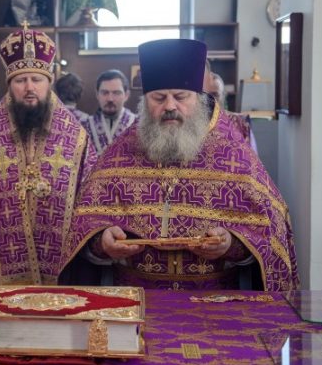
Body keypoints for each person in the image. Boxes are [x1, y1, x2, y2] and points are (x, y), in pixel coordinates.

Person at [71, 39, 298, 292]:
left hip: (214, 303)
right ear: (144, 101)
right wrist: (101, 243)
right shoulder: (120, 153)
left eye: (180, 97)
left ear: (199, 99)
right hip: (136, 300)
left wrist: (232, 244)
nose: (169, 106)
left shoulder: (233, 152)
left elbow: (271, 230)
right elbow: (83, 226)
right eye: (158, 98)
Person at [0, 24, 97, 285]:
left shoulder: (76, 136)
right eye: (20, 80)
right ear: (9, 85)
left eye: (36, 79)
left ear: (49, 83)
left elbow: (90, 197)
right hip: (0, 269)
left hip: (62, 269)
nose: (29, 88)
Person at [203, 61, 258, 153]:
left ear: (223, 96)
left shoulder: (240, 124)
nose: (210, 99)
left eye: (215, 94)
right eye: (205, 94)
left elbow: (252, 158)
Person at [82, 69, 137, 154]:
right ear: (97, 95)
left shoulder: (138, 125)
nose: (110, 99)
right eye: (105, 93)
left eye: (116, 93)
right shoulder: (84, 126)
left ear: (126, 95)